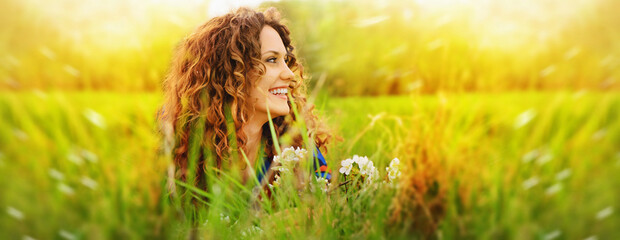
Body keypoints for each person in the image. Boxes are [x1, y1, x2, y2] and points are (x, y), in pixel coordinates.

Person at [159, 7, 332, 196]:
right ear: (229, 73)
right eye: (272, 59)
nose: (289, 74)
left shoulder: (300, 149)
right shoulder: (179, 152)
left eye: (286, 60)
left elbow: (333, 205)